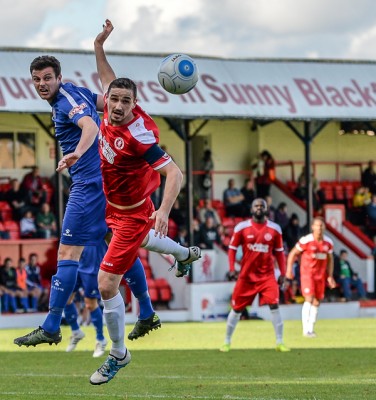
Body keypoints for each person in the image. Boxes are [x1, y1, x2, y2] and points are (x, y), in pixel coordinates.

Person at [88, 20, 201, 385]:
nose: (117, 106)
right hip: (113, 205)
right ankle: (184, 254)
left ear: (135, 106)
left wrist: (164, 211)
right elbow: (108, 78)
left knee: (106, 284)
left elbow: (176, 174)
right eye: (114, 100)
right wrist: (99, 46)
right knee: (141, 244)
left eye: (125, 101)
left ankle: (118, 355)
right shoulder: (108, 105)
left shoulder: (139, 136)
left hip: (135, 212)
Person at [219, 198, 290, 353]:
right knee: (237, 309)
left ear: (266, 209)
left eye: (262, 206)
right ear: (251, 209)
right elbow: (232, 249)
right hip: (246, 276)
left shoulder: (275, 229)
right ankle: (226, 342)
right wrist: (232, 268)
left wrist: (283, 274)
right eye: (256, 205)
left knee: (275, 306)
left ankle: (280, 342)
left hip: (267, 276)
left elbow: (280, 254)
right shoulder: (241, 227)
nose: (259, 208)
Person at [286, 217, 336, 338]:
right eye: (317, 226)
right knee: (309, 298)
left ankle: (311, 328)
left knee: (317, 301)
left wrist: (330, 276)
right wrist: (289, 269)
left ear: (324, 227)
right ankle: (306, 330)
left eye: (321, 226)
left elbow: (330, 260)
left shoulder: (328, 243)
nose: (319, 228)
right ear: (313, 227)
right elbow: (293, 253)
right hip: (307, 274)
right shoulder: (306, 240)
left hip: (320, 276)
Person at [64, 243, 108, 357]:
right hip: (76, 261)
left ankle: (100, 339)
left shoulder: (101, 224)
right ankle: (76, 331)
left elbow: (110, 236)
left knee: (90, 304)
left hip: (92, 263)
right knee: (64, 298)